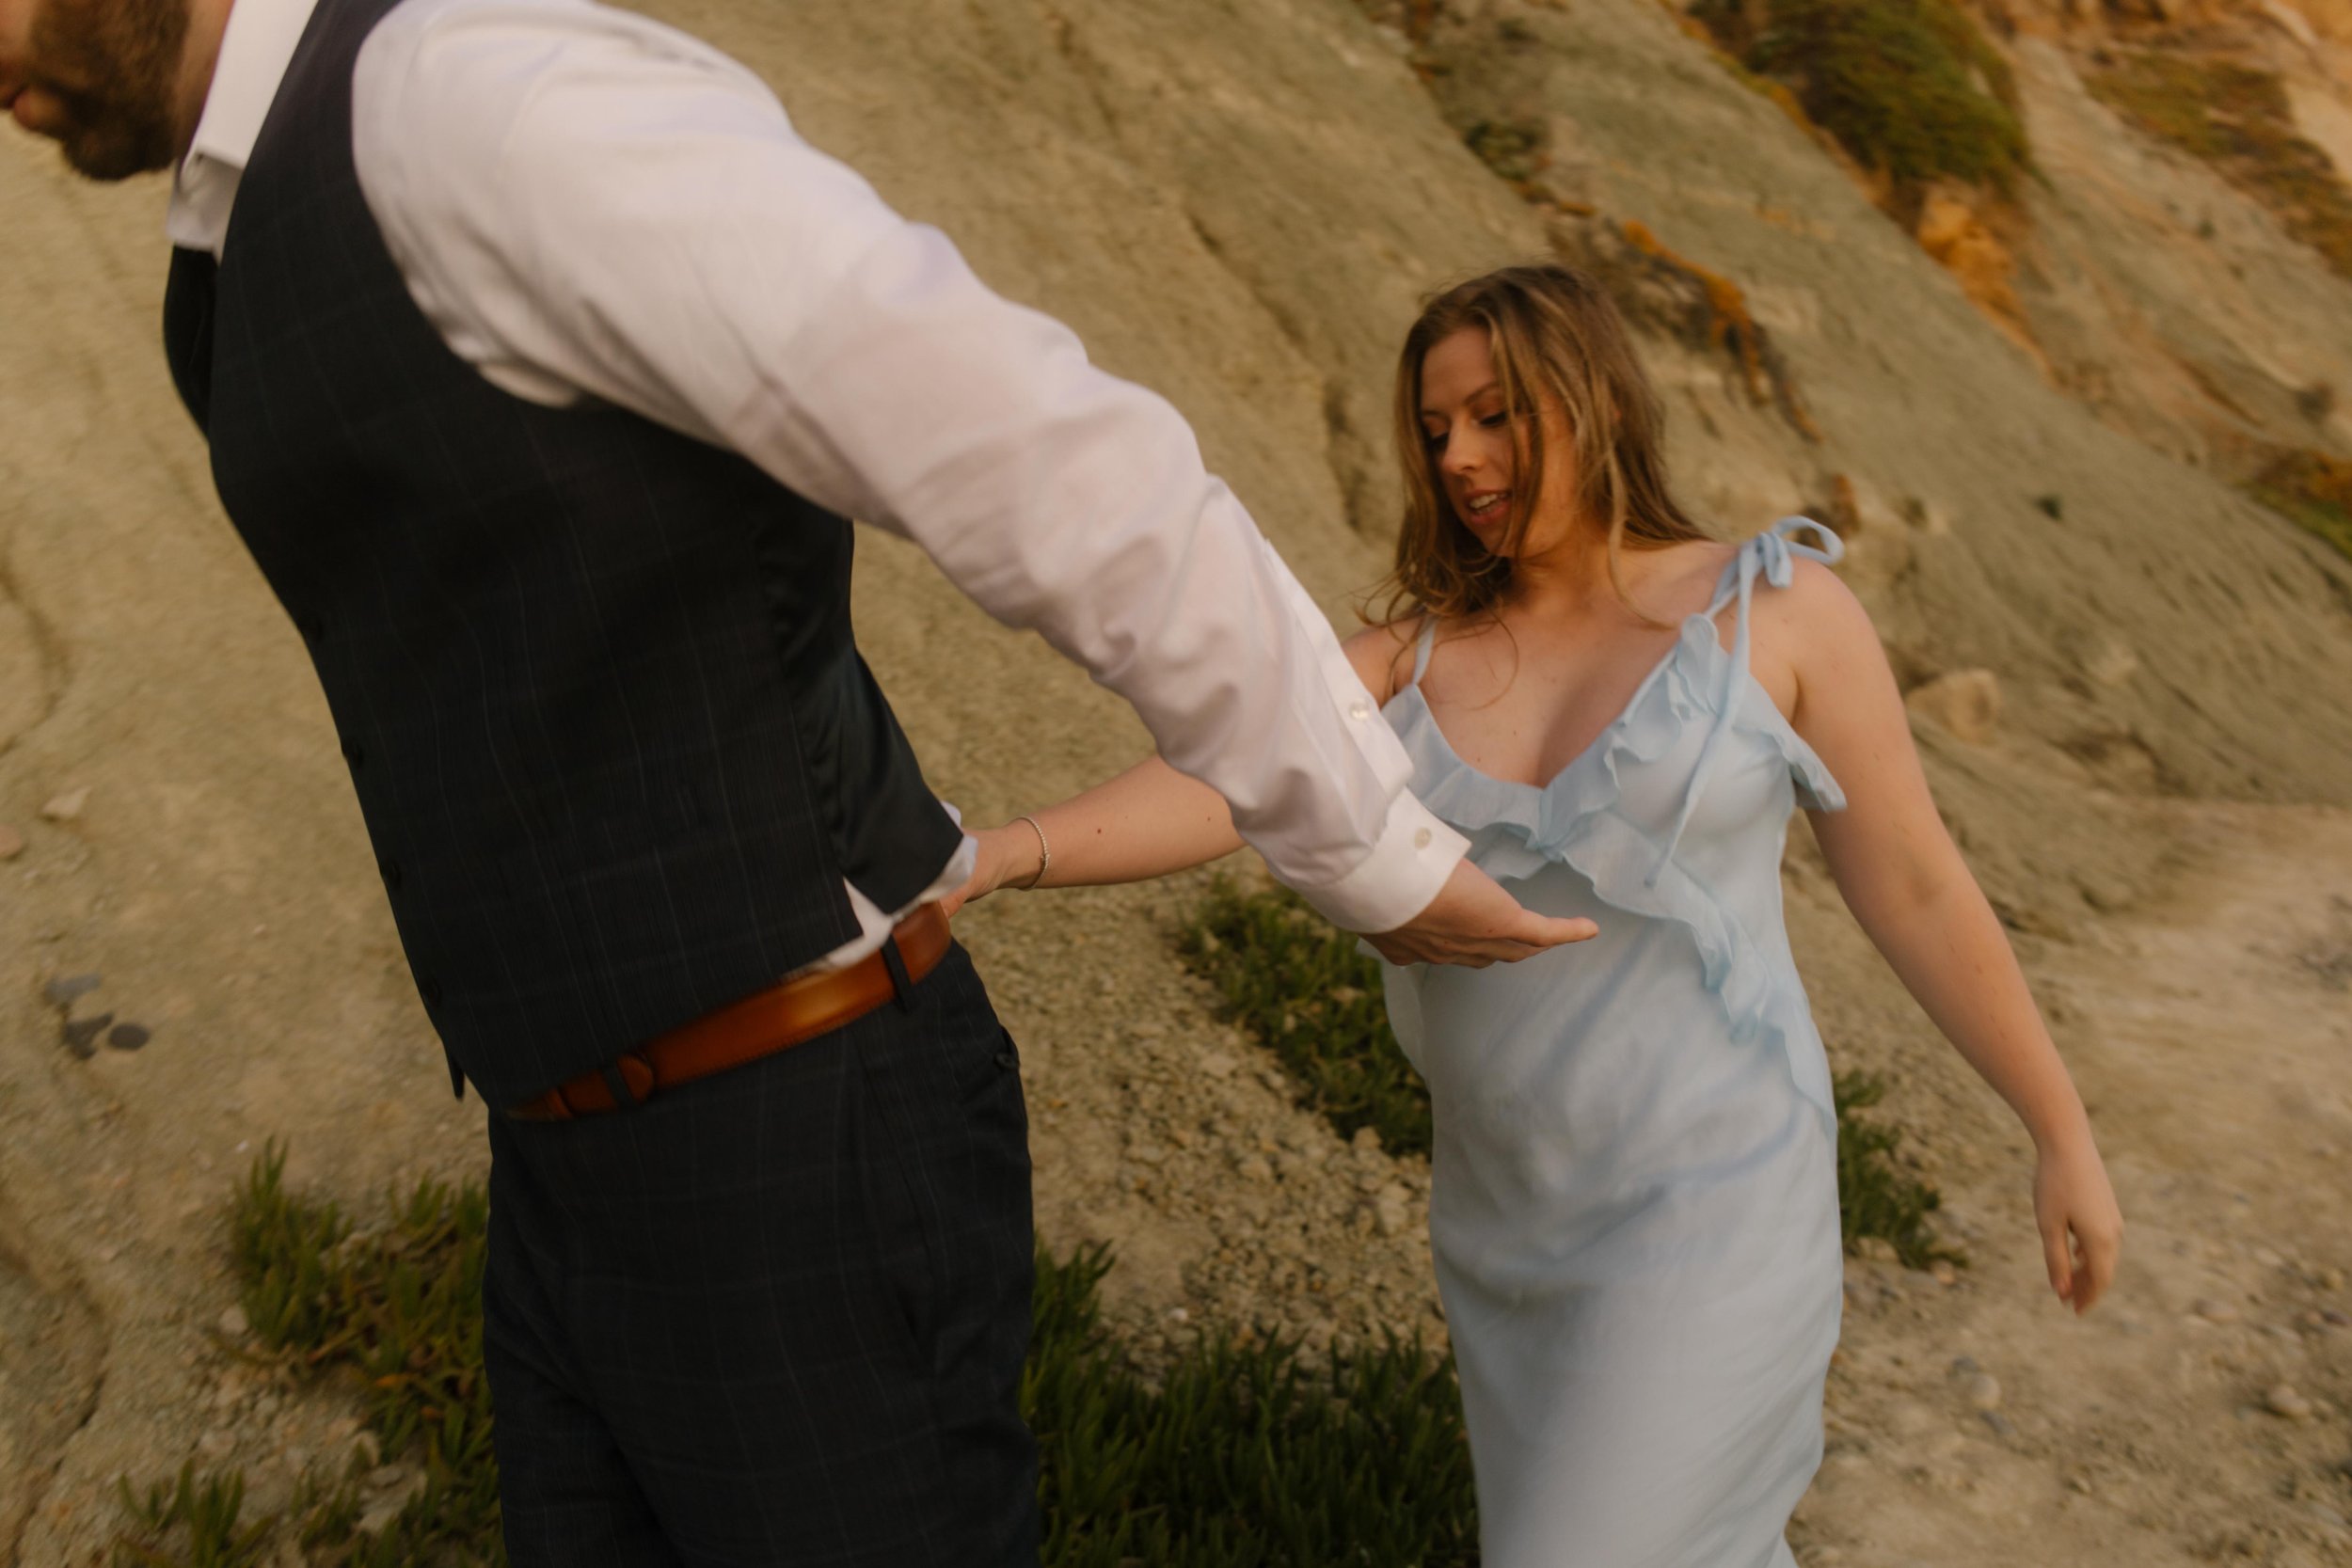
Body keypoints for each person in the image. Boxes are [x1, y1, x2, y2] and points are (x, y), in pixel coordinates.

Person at [0, 0, 1601, 1560]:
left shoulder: (470, 92)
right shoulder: (223, 257)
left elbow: (1031, 443)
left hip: (799, 1132)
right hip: (562, 1167)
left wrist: (1363, 843)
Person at [951, 264, 2125, 1566]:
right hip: (1512, 1225)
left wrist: (2058, 1130)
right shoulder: (1417, 654)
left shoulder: (1773, 608)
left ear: (1592, 397)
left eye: (1498, 414)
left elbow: (1912, 884)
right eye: (1437, 427)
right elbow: (1229, 778)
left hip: (1718, 1196)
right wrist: (1003, 854)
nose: (1460, 456)